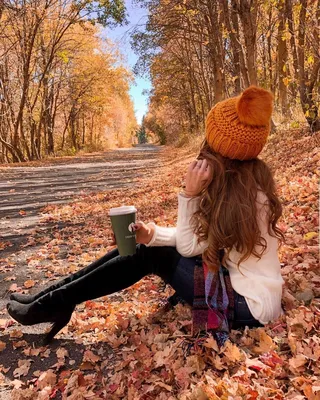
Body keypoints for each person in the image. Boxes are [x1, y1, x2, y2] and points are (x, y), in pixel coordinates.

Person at [7, 86, 284, 346]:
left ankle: (53, 304)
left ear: (221, 148)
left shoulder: (248, 198)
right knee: (145, 246)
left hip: (248, 306)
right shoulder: (247, 183)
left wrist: (189, 196)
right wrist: (151, 234)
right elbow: (202, 241)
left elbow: (190, 246)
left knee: (150, 254)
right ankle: (49, 298)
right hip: (248, 293)